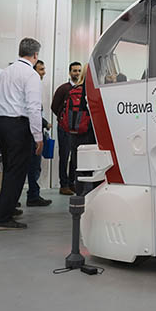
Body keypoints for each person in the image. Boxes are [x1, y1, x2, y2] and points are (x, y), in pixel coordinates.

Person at [0, 38, 43, 230]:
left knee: (9, 168)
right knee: (17, 171)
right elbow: (33, 107)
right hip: (17, 124)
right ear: (36, 55)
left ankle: (9, 207)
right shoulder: (31, 75)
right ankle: (2, 219)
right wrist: (38, 136)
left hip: (2, 122)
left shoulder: (6, 71)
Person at [65, 64, 98, 196]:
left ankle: (80, 196)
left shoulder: (74, 90)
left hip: (75, 132)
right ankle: (90, 198)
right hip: (90, 133)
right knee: (92, 167)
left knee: (79, 166)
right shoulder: (93, 89)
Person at [24, 60, 53, 207]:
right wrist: (42, 126)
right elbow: (32, 112)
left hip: (31, 133)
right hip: (31, 135)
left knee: (32, 167)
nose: (44, 72)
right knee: (33, 167)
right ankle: (33, 196)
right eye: (41, 69)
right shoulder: (31, 86)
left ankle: (31, 195)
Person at [51, 61, 81, 195]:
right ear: (70, 72)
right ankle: (63, 185)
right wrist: (63, 119)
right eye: (75, 71)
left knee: (75, 157)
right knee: (64, 156)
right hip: (64, 128)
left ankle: (71, 182)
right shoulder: (63, 88)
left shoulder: (82, 87)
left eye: (79, 71)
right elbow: (54, 106)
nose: (77, 73)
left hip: (77, 128)